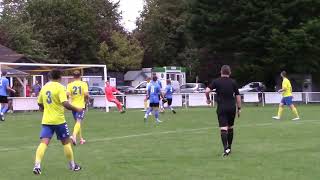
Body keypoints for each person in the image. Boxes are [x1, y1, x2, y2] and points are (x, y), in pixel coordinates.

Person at [32, 69, 82, 175]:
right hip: (59, 121)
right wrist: (76, 109)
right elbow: (65, 103)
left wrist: (43, 109)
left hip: (46, 120)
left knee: (43, 143)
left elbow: (39, 103)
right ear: (59, 77)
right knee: (66, 143)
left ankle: (37, 165)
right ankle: (73, 166)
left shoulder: (44, 87)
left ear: (49, 77)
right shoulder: (60, 87)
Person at [205, 65, 241, 157]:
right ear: (230, 72)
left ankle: (225, 149)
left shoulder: (216, 81)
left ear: (221, 72)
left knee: (223, 128)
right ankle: (230, 147)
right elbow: (237, 96)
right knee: (230, 127)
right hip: (232, 107)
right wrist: (239, 108)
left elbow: (207, 90)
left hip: (221, 107)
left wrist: (208, 99)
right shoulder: (233, 82)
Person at [67, 70, 89, 145]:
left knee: (77, 122)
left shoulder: (70, 85)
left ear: (73, 76)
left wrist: (70, 102)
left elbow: (68, 95)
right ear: (80, 76)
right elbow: (86, 94)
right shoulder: (84, 84)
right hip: (80, 106)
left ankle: (81, 139)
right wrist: (86, 100)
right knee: (79, 122)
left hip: (73, 106)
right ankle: (74, 136)